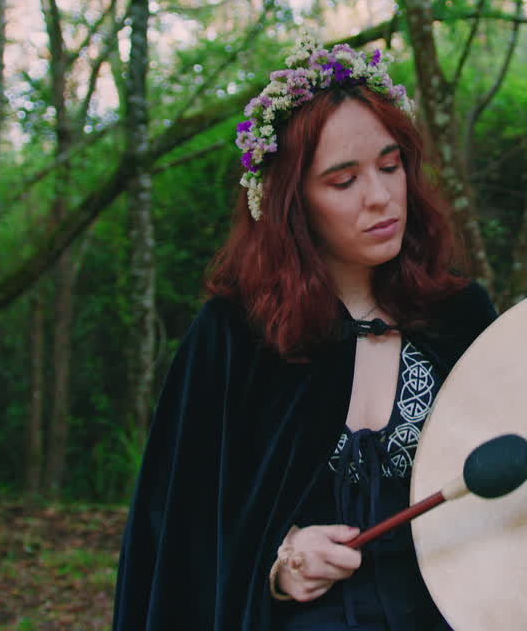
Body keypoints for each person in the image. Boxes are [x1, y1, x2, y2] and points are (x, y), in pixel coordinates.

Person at [112, 37, 497, 631]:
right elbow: (181, 531)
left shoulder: (459, 317)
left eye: (390, 166)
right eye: (343, 182)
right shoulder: (234, 337)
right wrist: (281, 563)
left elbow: (515, 499)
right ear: (294, 203)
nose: (380, 197)